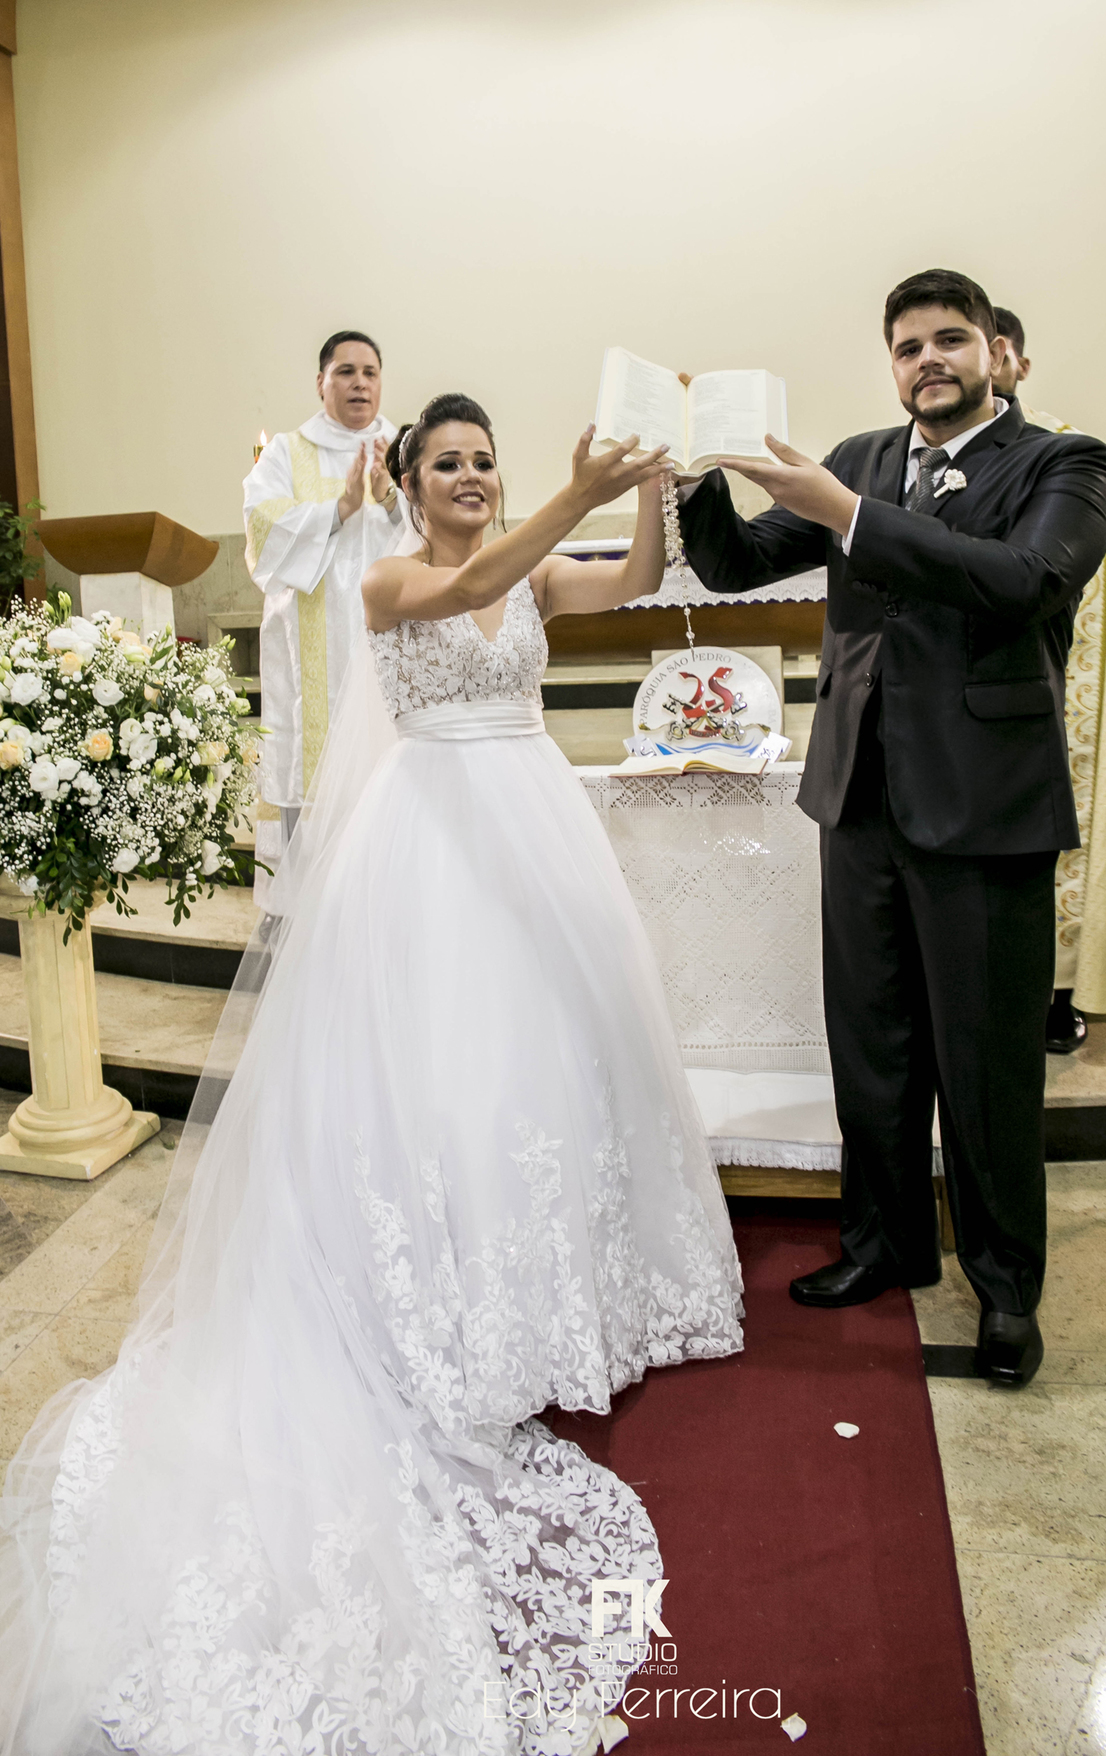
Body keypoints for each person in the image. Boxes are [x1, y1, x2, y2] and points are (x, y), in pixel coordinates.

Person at [0, 393, 743, 1756]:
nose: (468, 475)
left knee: (558, 1074)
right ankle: (448, 1314)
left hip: (537, 834)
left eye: (482, 461)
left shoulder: (522, 563)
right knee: (447, 1092)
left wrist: (653, 492)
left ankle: (561, 1290)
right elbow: (470, 583)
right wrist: (570, 495)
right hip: (433, 857)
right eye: (446, 462)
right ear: (407, 483)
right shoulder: (396, 572)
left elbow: (629, 582)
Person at [678, 269, 1106, 1387]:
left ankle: (1008, 1289)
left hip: (983, 806)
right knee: (872, 1048)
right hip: (859, 797)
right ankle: (883, 1244)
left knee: (985, 1067)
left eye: (950, 340)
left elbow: (1023, 581)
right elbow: (734, 563)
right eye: (909, 344)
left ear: (996, 354)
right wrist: (694, 474)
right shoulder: (865, 457)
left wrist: (847, 515)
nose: (929, 359)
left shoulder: (1066, 463)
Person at [992, 306, 1106, 1050]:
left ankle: (1058, 988)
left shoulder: (1069, 456)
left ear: (1019, 364)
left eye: (999, 350)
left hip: (1056, 676)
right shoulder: (905, 463)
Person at [243, 329, 409, 898]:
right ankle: (307, 909)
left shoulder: (408, 446)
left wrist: (388, 496)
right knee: (307, 765)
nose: (359, 383)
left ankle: (394, 893)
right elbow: (262, 527)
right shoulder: (290, 451)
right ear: (322, 382)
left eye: (370, 372)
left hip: (393, 635)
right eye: (346, 371)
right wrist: (339, 506)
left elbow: (441, 530)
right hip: (309, 637)